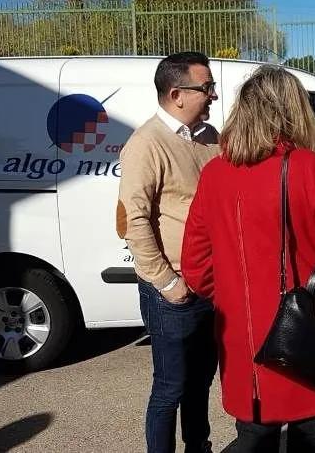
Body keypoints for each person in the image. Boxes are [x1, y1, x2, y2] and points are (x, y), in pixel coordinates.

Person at [180, 65, 315, 453]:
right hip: (308, 335)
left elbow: (196, 265)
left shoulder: (215, 173)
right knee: (312, 439)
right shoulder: (305, 167)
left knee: (254, 438)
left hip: (244, 345)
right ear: (292, 110)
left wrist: (232, 296)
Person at [116, 51, 221, 453]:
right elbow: (132, 220)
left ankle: (199, 447)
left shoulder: (210, 138)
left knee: (200, 382)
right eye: (206, 87)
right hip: (173, 291)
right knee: (170, 388)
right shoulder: (147, 144)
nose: (213, 95)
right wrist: (167, 282)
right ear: (177, 94)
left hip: (209, 285)